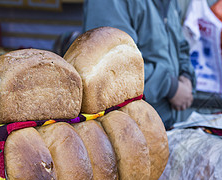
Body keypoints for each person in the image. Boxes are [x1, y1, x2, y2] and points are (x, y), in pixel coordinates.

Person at [83, 0, 195, 129]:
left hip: (163, 122)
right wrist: (170, 87)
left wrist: (186, 76)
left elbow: (181, 46)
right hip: (128, 129)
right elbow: (116, 61)